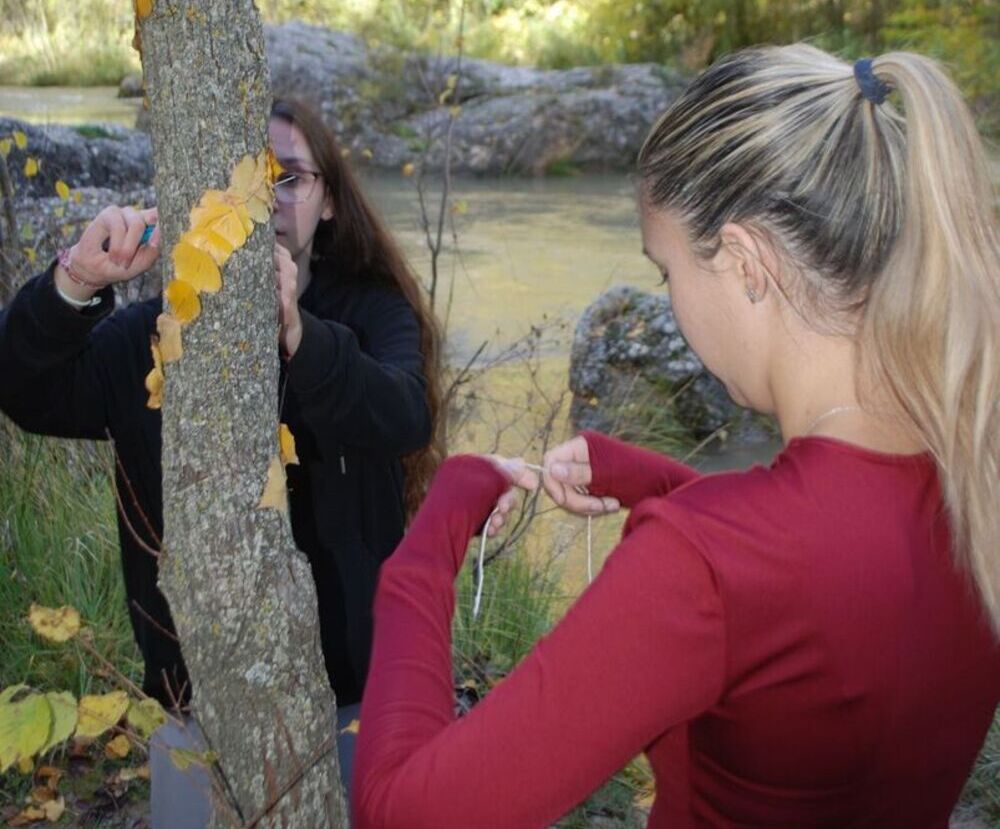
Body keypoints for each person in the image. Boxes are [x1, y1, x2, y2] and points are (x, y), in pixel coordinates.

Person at [352, 45, 1000, 828]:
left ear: (747, 261)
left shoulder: (704, 563)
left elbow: (402, 813)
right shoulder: (973, 472)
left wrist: (431, 535)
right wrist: (660, 482)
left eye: (667, 272)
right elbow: (813, 593)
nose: (673, 304)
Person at [0, 99, 442, 815]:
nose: (263, 199)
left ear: (329, 201)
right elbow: (27, 391)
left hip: (354, 692)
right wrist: (76, 282)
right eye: (242, 179)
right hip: (194, 698)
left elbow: (404, 414)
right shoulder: (153, 335)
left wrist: (300, 333)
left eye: (287, 177)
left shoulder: (369, 311)